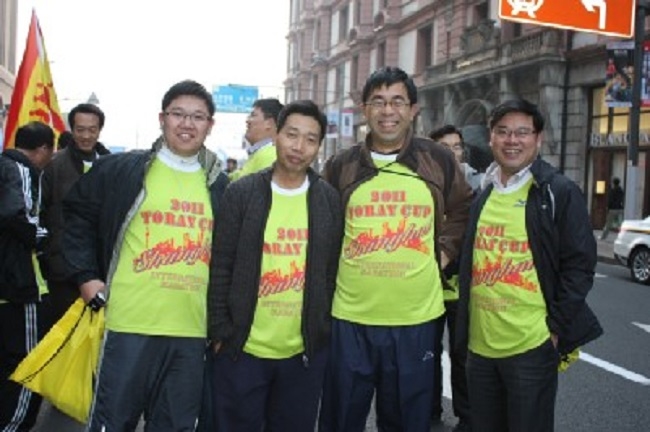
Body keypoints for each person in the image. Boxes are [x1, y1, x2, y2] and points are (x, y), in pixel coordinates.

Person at [62, 80, 229, 431]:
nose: (187, 124)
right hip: (127, 326)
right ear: (162, 119)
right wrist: (86, 277)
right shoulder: (123, 170)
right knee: (113, 422)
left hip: (190, 331)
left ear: (210, 125)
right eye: (178, 114)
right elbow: (74, 216)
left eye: (198, 117)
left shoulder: (219, 185)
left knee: (174, 425)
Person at [319, 66, 473, 432]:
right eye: (378, 101)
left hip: (416, 320)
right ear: (365, 110)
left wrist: (444, 253)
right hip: (349, 319)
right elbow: (321, 225)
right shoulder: (341, 166)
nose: (388, 111)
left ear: (413, 110)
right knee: (341, 419)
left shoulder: (437, 159)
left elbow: (464, 208)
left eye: (397, 102)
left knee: (406, 422)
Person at [455, 99, 603, 432]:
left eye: (522, 132)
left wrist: (554, 330)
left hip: (531, 347)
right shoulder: (484, 193)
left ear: (538, 139)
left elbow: (580, 266)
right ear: (491, 138)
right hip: (480, 349)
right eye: (503, 132)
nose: (512, 140)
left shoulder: (557, 191)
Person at [208, 100, 342, 431]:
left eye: (310, 139)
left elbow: (330, 272)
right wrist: (220, 331)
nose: (299, 147)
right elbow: (220, 265)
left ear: (318, 147)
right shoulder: (243, 193)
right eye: (292, 134)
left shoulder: (328, 199)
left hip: (302, 356)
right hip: (242, 351)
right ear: (277, 135)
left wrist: (321, 330)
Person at [0, 121, 55, 431]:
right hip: (20, 283)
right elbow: (18, 217)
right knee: (27, 362)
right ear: (44, 149)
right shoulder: (20, 169)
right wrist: (46, 237)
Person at [427, 125, 479, 431]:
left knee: (462, 355)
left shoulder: (479, 184)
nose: (452, 152)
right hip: (427, 287)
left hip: (462, 287)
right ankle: (429, 412)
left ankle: (467, 417)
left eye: (457, 146)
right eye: (444, 147)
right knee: (426, 354)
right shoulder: (420, 183)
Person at [41, 103, 111, 323]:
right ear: (71, 129)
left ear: (100, 130)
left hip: (101, 266)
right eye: (80, 130)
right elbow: (41, 211)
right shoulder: (54, 165)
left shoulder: (110, 165)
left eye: (92, 130)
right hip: (62, 268)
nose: (86, 136)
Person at [230, 98, 284, 180]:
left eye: (253, 115)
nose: (247, 120)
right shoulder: (259, 153)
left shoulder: (270, 155)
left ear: (269, 123)